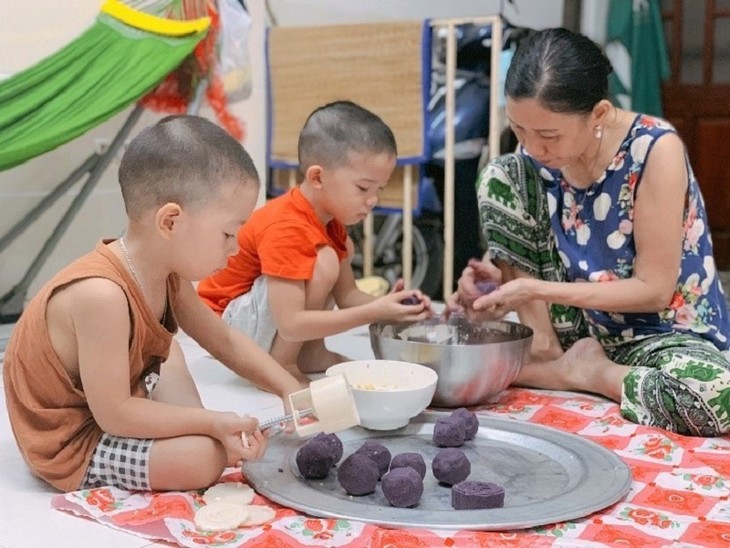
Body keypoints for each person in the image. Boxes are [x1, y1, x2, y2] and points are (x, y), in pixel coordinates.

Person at [449, 28, 730, 437]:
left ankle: (585, 373)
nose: (532, 146)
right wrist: (497, 281)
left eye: (548, 135)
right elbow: (554, 250)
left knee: (716, 394)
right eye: (520, 130)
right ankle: (544, 350)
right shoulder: (529, 159)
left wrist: (537, 291)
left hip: (658, 332)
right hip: (575, 324)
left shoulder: (654, 149)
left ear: (598, 114)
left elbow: (653, 290)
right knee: (500, 173)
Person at [3, 115, 306, 493]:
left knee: (172, 352)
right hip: (74, 439)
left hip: (114, 402)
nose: (236, 248)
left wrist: (288, 388)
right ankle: (198, 439)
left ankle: (197, 434)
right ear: (171, 221)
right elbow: (114, 413)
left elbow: (222, 340)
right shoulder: (102, 295)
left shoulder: (168, 274)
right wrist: (211, 423)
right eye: (228, 233)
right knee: (204, 457)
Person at [197, 101, 432, 382]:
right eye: (362, 188)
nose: (373, 200)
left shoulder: (331, 224)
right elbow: (291, 324)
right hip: (224, 329)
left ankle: (310, 353)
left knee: (331, 255)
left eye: (378, 189)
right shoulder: (287, 227)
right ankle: (281, 365)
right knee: (324, 260)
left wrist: (392, 308)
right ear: (317, 177)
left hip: (261, 324)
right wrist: (374, 311)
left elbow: (348, 298)